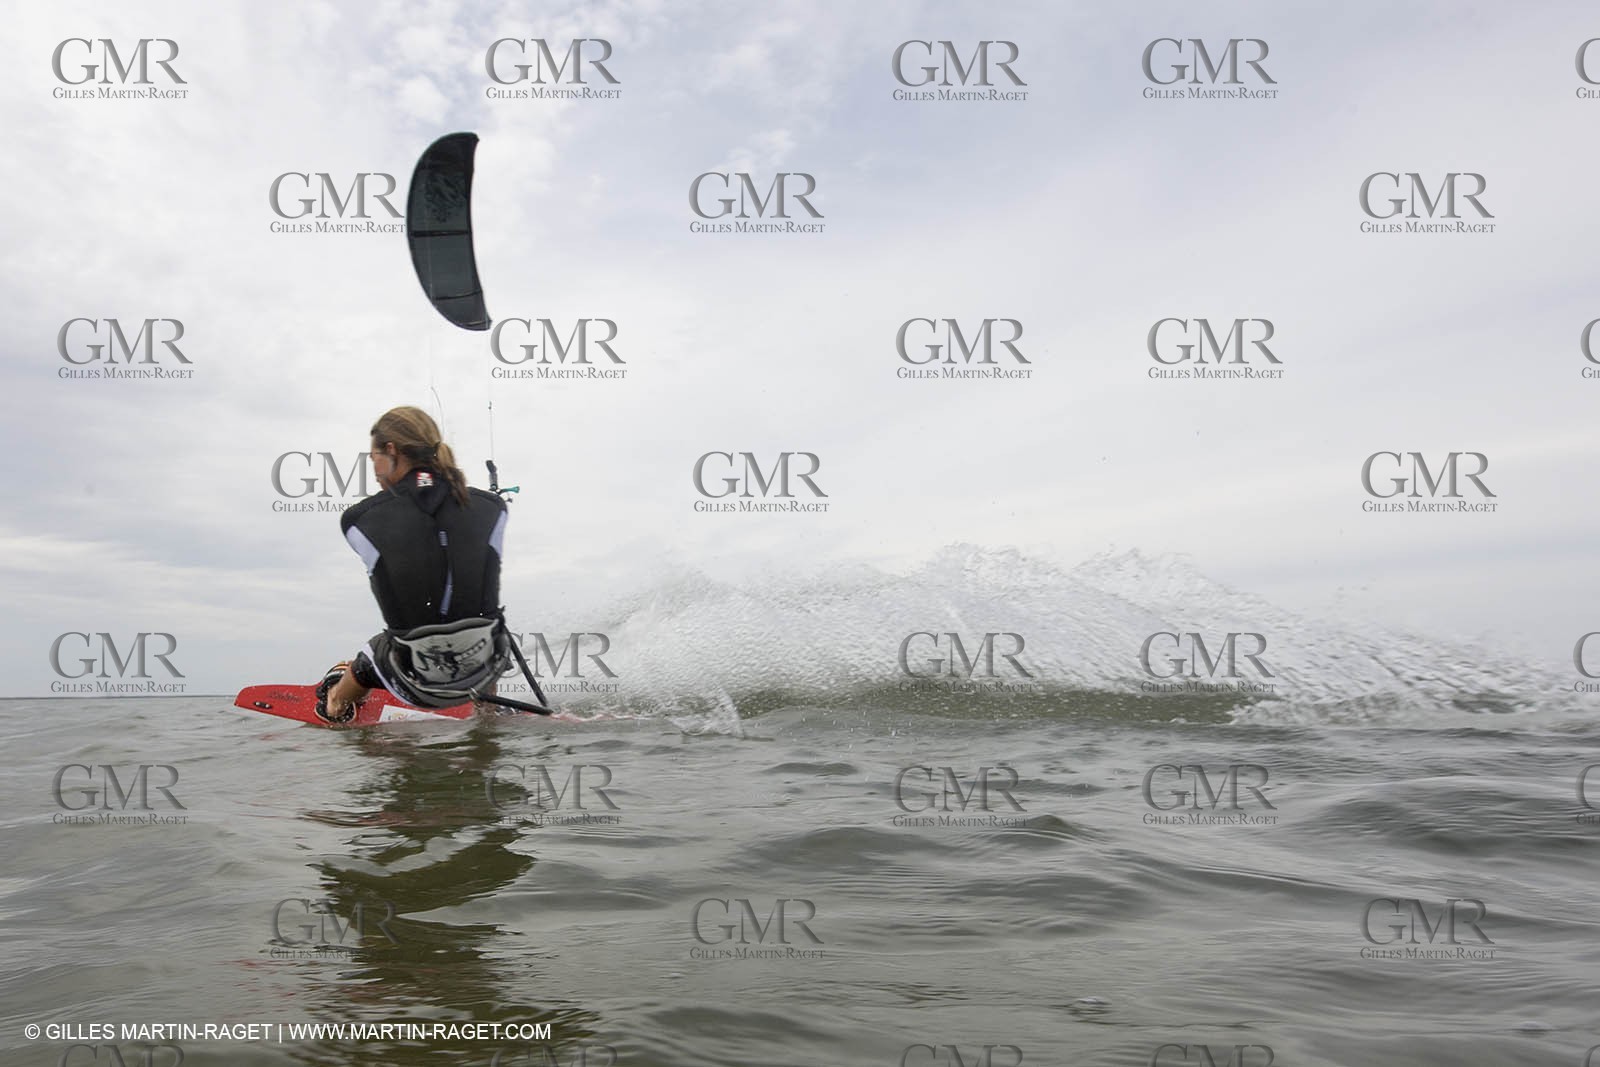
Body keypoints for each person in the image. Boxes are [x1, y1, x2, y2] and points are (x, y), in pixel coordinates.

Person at [317, 406, 511, 723]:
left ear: (391, 451)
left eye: (373, 459)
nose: (375, 470)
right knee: (486, 624)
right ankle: (486, 712)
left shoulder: (358, 519)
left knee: (373, 652)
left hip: (414, 682)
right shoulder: (494, 507)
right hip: (486, 666)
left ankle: (336, 704)